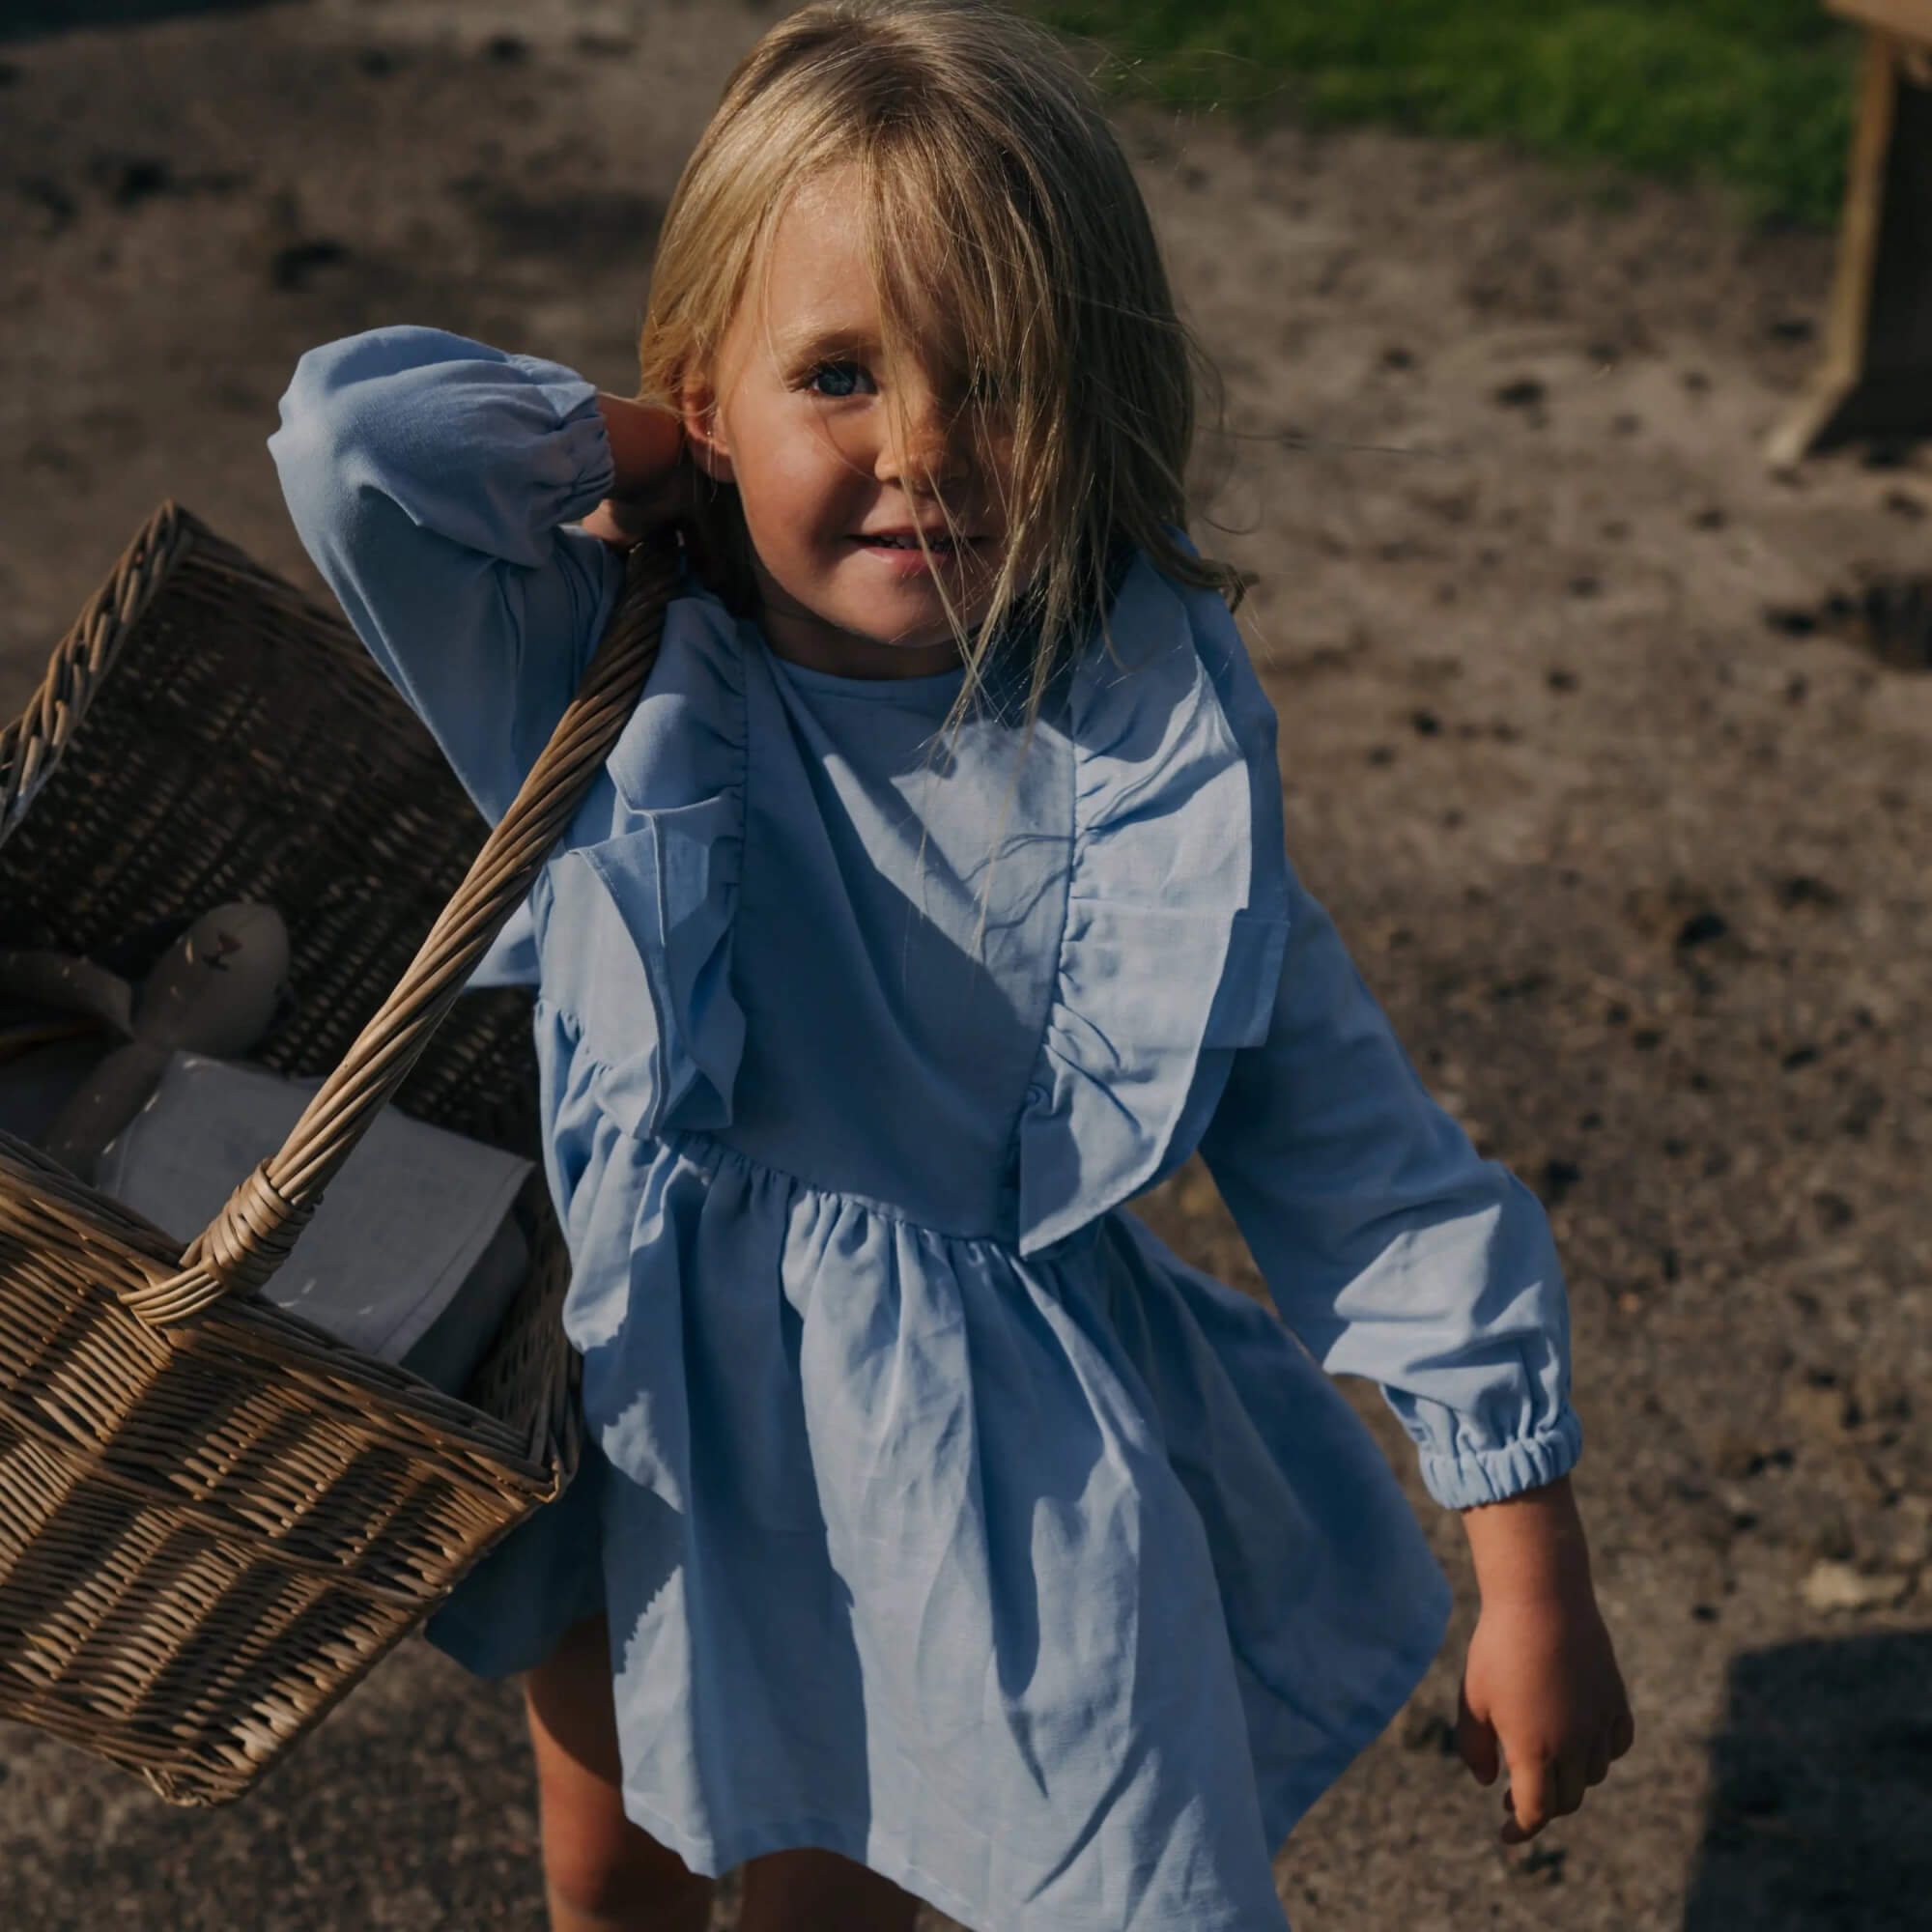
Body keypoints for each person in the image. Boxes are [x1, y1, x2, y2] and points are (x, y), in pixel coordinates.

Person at [269, 4, 1633, 1926]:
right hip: (648, 1416)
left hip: (965, 1497)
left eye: (993, 381)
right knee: (615, 1883)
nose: (917, 446)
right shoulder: (614, 668)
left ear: (1098, 399)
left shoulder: (1140, 765)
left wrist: (1531, 1558)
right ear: (716, 395)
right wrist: (659, 451)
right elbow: (354, 446)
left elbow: (1364, 1157)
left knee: (873, 1896)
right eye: (838, 372)